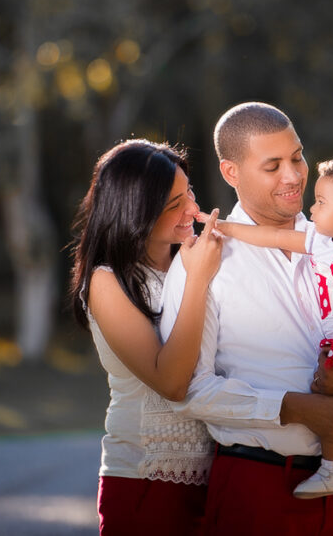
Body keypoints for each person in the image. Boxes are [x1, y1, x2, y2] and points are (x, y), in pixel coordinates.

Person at [159, 102, 333, 535]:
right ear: (231, 172)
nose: (294, 176)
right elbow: (188, 390)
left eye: (297, 157)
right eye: (273, 166)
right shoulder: (203, 262)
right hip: (259, 489)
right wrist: (292, 408)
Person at [68, 139, 223, 535]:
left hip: (220, 478)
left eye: (189, 191)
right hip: (146, 483)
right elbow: (171, 382)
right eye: (174, 203)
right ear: (135, 210)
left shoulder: (191, 260)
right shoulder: (107, 281)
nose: (191, 208)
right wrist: (198, 280)